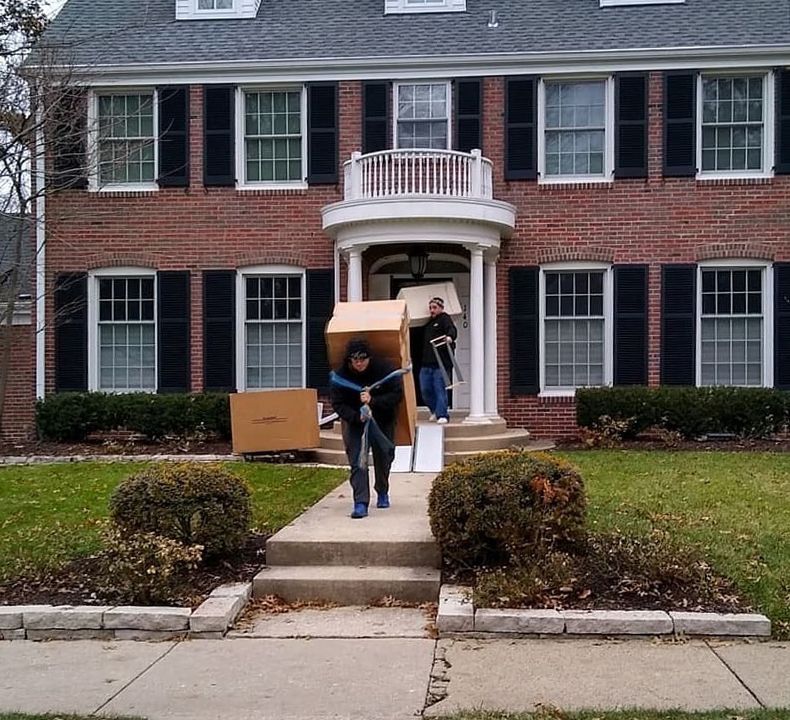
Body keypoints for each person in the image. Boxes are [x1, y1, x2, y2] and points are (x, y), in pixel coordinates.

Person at [330, 338, 403, 519]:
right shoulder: (341, 377)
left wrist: (374, 401)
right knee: (357, 461)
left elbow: (397, 395)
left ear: (370, 358)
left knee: (384, 458)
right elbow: (338, 403)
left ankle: (382, 490)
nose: (359, 363)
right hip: (356, 423)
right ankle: (360, 502)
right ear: (349, 360)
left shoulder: (384, 370)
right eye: (355, 360)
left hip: (382, 420)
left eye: (363, 359)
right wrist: (357, 416)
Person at [420, 296, 457, 425]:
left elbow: (452, 330)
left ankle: (443, 415)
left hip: (440, 363)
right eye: (430, 308)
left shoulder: (445, 319)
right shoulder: (428, 323)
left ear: (441, 308)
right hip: (426, 363)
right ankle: (435, 410)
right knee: (425, 390)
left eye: (434, 307)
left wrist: (449, 337)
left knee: (439, 388)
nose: (432, 310)